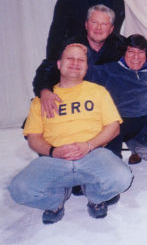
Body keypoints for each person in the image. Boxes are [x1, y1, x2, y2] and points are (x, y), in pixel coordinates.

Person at [8, 43, 133, 224]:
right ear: (59, 64)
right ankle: (55, 201)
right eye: (70, 59)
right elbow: (33, 138)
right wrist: (53, 151)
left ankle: (95, 197)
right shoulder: (40, 101)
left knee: (123, 177)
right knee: (18, 189)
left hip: (92, 154)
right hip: (54, 159)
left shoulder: (98, 92)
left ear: (86, 66)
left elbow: (114, 127)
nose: (75, 63)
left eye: (80, 60)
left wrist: (89, 145)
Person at [33, 4, 147, 120]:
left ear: (111, 29)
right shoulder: (71, 46)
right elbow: (46, 69)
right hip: (76, 101)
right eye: (94, 22)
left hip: (109, 104)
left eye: (104, 24)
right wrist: (45, 90)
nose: (98, 28)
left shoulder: (119, 44)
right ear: (86, 24)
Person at [87, 34, 147, 164]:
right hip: (121, 122)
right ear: (124, 53)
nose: (136, 57)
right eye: (131, 52)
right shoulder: (111, 69)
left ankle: (140, 141)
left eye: (141, 52)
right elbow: (84, 73)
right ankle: (113, 168)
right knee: (112, 142)